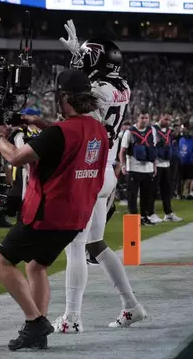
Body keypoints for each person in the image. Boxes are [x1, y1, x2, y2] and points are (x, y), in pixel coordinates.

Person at [0, 69, 109, 351]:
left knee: (0, 262)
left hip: (47, 213)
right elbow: (66, 137)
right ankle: (37, 333)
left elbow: (17, 158)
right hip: (75, 217)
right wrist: (37, 122)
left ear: (63, 97)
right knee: (37, 266)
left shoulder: (59, 133)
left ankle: (35, 321)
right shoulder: (97, 130)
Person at [51, 26, 148, 333]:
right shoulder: (122, 86)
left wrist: (76, 63)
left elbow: (73, 105)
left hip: (88, 170)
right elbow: (98, 74)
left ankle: (72, 317)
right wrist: (82, 54)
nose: (83, 61)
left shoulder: (100, 91)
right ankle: (132, 306)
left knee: (75, 244)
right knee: (95, 244)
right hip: (104, 170)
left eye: (88, 58)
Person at [119, 110, 158, 226]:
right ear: (137, 118)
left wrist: (155, 166)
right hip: (133, 169)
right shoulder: (129, 132)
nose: (144, 120)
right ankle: (134, 219)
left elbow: (153, 149)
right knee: (133, 196)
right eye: (142, 118)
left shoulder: (152, 130)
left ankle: (145, 217)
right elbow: (122, 151)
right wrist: (123, 165)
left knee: (147, 195)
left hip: (148, 169)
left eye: (146, 118)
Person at [149, 113, 182, 222]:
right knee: (153, 190)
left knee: (167, 191)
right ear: (160, 117)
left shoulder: (168, 131)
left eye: (169, 120)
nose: (167, 122)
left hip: (166, 164)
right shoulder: (153, 129)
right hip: (156, 164)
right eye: (166, 119)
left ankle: (168, 213)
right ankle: (150, 213)